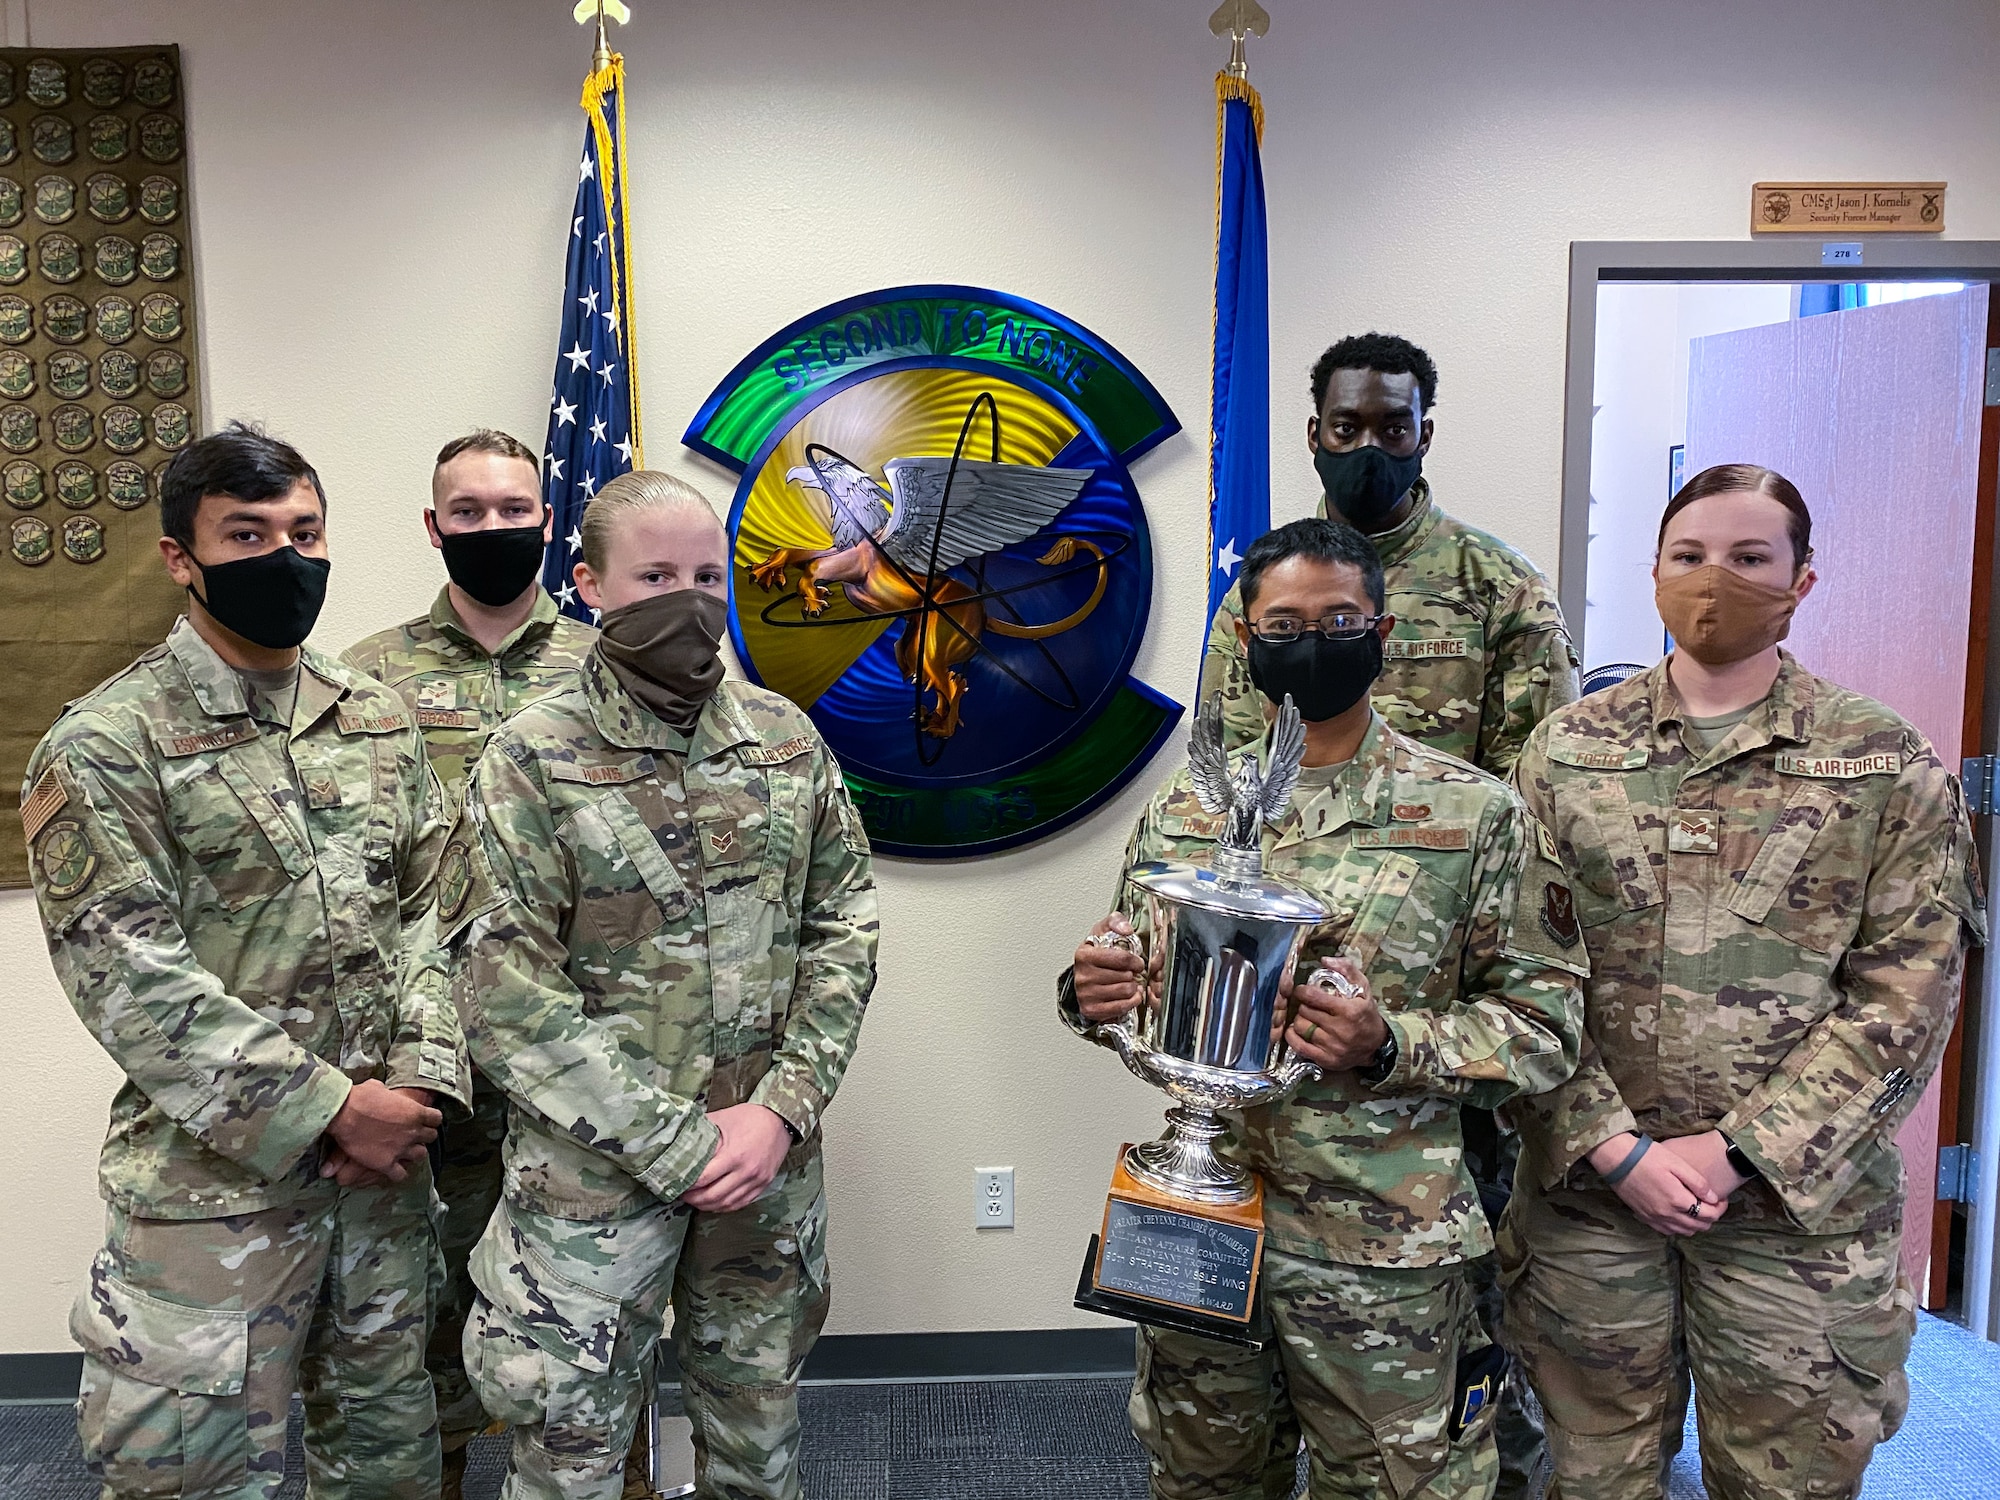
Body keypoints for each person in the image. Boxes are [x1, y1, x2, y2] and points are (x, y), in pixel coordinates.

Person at [1066, 516, 1585, 1500]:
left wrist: (1389, 1043)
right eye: (1283, 621)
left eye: (1338, 618)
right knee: (1200, 1481)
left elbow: (1545, 1026)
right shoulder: (1188, 810)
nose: (1309, 639)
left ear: (1380, 635)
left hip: (1381, 1249)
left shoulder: (1474, 818)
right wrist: (1088, 993)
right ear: (1247, 641)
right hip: (1198, 1219)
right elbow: (1131, 972)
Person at [1501, 464, 1985, 1500]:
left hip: (1791, 1223)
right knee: (1592, 1480)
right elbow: (1513, 971)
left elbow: (1906, 999)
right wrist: (1614, 1145)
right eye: (1688, 557)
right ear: (1653, 573)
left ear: (1800, 580)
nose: (1712, 579)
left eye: (1748, 557)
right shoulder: (1564, 753)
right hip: (1592, 1204)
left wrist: (1733, 1153)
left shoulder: (1882, 762)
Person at [29, 423, 466, 1500]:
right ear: (182, 557)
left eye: (304, 531)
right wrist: (331, 1111)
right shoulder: (106, 744)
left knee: (388, 1470)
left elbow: (440, 916)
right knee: (195, 1480)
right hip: (216, 1204)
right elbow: (131, 977)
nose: (285, 556)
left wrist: (410, 1089)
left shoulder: (373, 717)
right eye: (247, 533)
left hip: (384, 1196)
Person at [438, 470, 878, 1500]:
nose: (688, 598)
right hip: (596, 1181)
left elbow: (843, 927)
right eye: (655, 576)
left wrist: (780, 1109)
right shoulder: (529, 758)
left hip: (762, 1175)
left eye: (706, 575)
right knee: (571, 1457)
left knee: (758, 1445)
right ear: (589, 584)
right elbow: (501, 988)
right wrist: (674, 1143)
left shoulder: (782, 738)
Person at [1199, 333, 1579, 1497]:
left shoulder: (1492, 585)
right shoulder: (1254, 591)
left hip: (1433, 999)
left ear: (1425, 429)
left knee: (1456, 1326)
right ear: (1314, 431)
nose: (1368, 445)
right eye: (1345, 426)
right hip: (1270, 1029)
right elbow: (1227, 782)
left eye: (1391, 426)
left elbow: (1531, 799)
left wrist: (1407, 1005)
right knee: (1236, 1366)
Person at [342, 428, 597, 1497]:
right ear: (434, 525)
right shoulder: (363, 676)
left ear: (547, 521)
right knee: (423, 1292)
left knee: (587, 1294)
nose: (491, 527)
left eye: (511, 509)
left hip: (573, 1035)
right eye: (468, 511)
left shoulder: (607, 664)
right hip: (425, 1042)